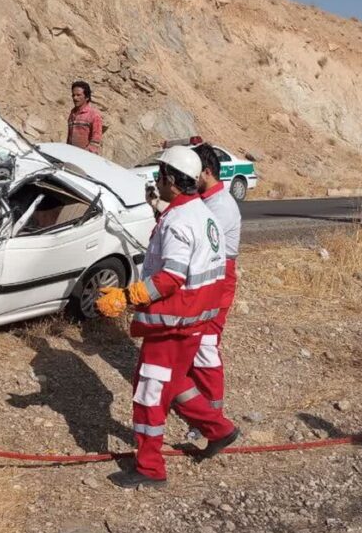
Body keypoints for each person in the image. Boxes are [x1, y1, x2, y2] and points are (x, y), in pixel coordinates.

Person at [96, 146, 238, 489]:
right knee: (175, 383)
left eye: (160, 175)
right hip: (194, 321)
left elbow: (169, 278)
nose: (157, 180)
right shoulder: (203, 214)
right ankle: (218, 429)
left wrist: (126, 297)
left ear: (172, 180)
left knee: (149, 390)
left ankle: (150, 467)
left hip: (173, 323)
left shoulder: (178, 222)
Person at [181, 144, 242, 441]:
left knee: (206, 344)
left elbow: (200, 242)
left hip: (218, 277)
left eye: (193, 172)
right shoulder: (206, 200)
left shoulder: (221, 206)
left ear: (206, 172)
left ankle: (212, 419)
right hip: (207, 275)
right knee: (195, 342)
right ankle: (201, 410)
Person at [66, 81, 103, 155]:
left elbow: (95, 140)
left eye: (78, 95)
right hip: (71, 155)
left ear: (87, 97)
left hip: (86, 157)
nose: (75, 98)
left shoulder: (94, 115)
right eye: (73, 95)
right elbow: (69, 138)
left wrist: (84, 155)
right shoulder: (72, 114)